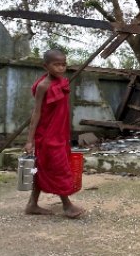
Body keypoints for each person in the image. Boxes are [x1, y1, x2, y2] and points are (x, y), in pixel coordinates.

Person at [24, 49, 84, 219]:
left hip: (60, 133)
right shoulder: (43, 86)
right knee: (59, 168)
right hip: (47, 135)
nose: (61, 68)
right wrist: (30, 140)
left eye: (63, 64)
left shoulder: (62, 82)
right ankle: (67, 205)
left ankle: (32, 204)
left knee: (43, 168)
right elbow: (36, 113)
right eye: (56, 65)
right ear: (46, 66)